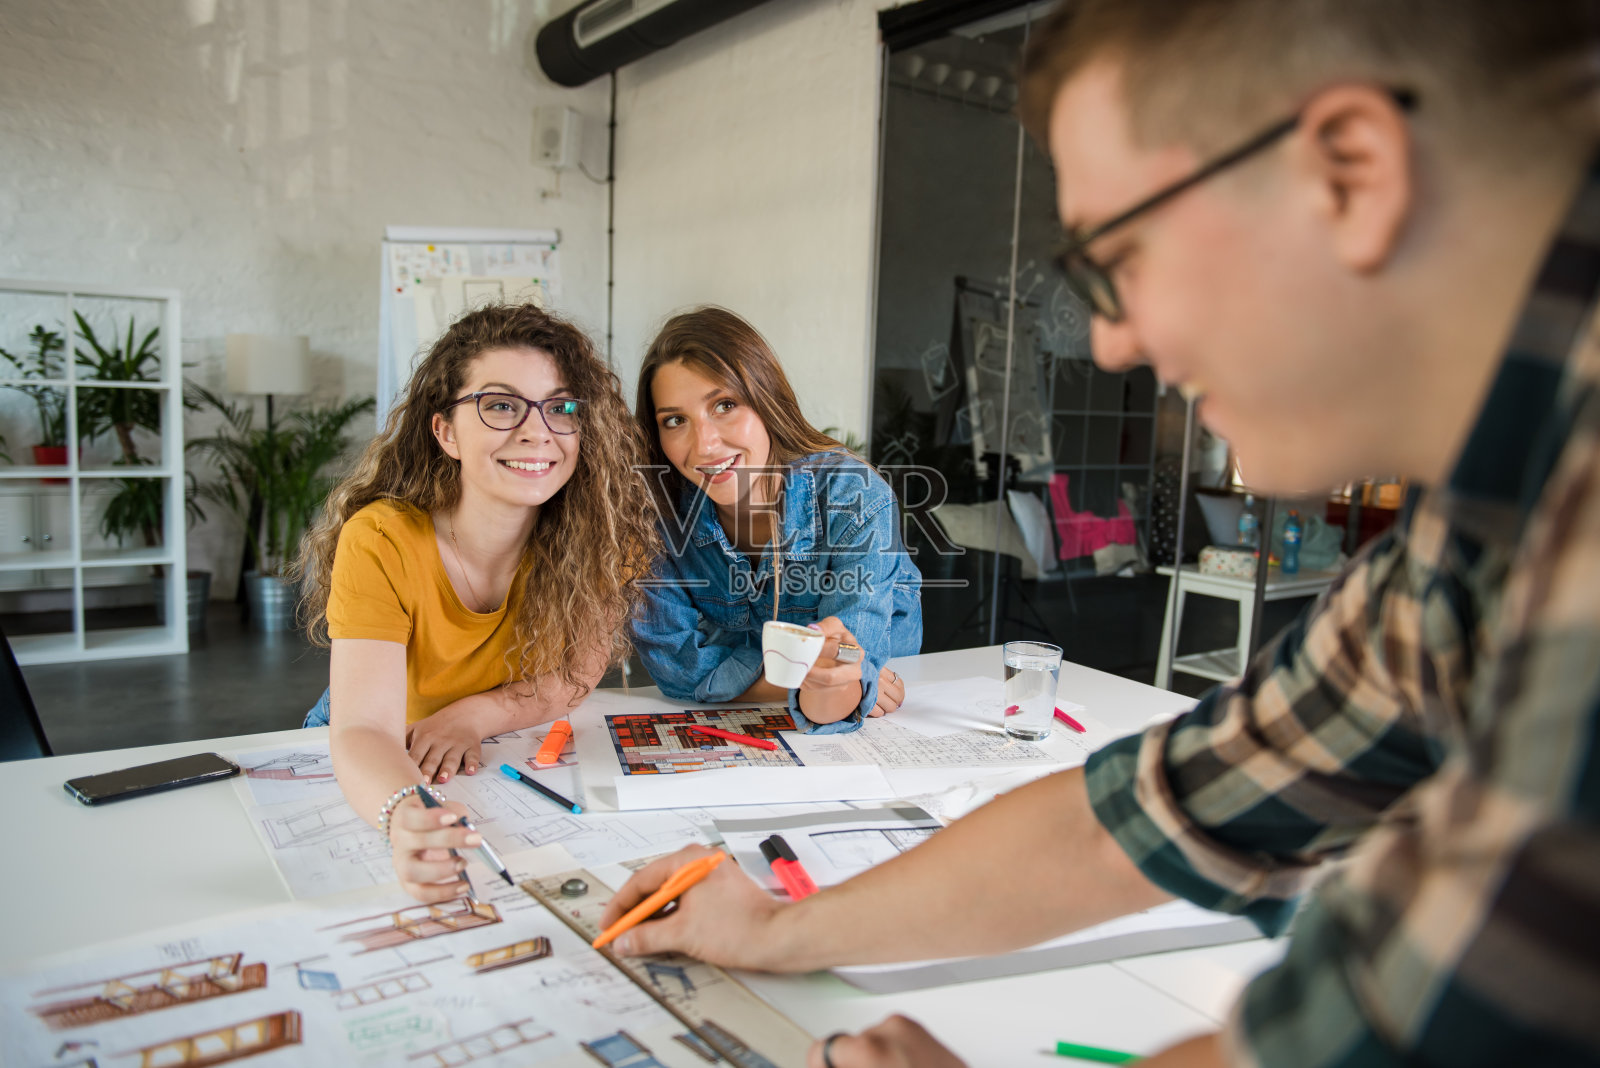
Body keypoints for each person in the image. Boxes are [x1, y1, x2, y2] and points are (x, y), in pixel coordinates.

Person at [598, 2, 1600, 1065]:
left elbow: (1394, 1029)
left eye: (1123, 254)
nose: (1115, 343)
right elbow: (1179, 802)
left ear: (1348, 173)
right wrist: (777, 925)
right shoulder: (1484, 523)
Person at [296, 303, 658, 902]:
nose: (537, 430)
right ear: (445, 432)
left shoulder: (601, 537)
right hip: (384, 754)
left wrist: (475, 716)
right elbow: (360, 727)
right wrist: (406, 814)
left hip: (495, 748)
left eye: (561, 407)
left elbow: (575, 674)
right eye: (500, 405)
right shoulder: (382, 538)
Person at [630, 306, 922, 732]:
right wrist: (812, 682)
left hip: (890, 724)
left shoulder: (851, 496)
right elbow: (678, 671)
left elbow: (842, 688)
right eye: (675, 420)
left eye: (725, 405)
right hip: (761, 727)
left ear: (767, 401)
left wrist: (838, 683)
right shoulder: (655, 515)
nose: (705, 444)